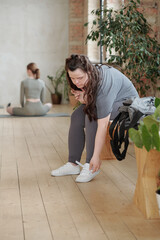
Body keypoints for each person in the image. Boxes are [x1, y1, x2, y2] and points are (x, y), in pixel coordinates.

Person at [51, 54, 139, 183]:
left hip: (129, 106)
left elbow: (102, 124)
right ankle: (73, 164)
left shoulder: (105, 83)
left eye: (80, 78)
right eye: (72, 78)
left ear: (89, 71)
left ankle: (91, 165)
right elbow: (90, 100)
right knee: (77, 115)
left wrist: (96, 157)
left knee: (92, 112)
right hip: (109, 102)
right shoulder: (81, 79)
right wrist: (83, 99)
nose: (76, 82)